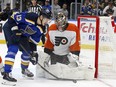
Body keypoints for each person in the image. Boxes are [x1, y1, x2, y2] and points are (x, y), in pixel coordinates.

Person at [0, 8, 52, 82]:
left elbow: (33, 41)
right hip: (10, 28)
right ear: (41, 17)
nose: (47, 21)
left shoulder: (42, 29)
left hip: (22, 35)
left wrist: (33, 53)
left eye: (49, 20)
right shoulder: (30, 16)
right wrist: (15, 30)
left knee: (27, 52)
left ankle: (24, 69)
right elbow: (12, 17)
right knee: (13, 49)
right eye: (47, 19)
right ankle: (7, 73)